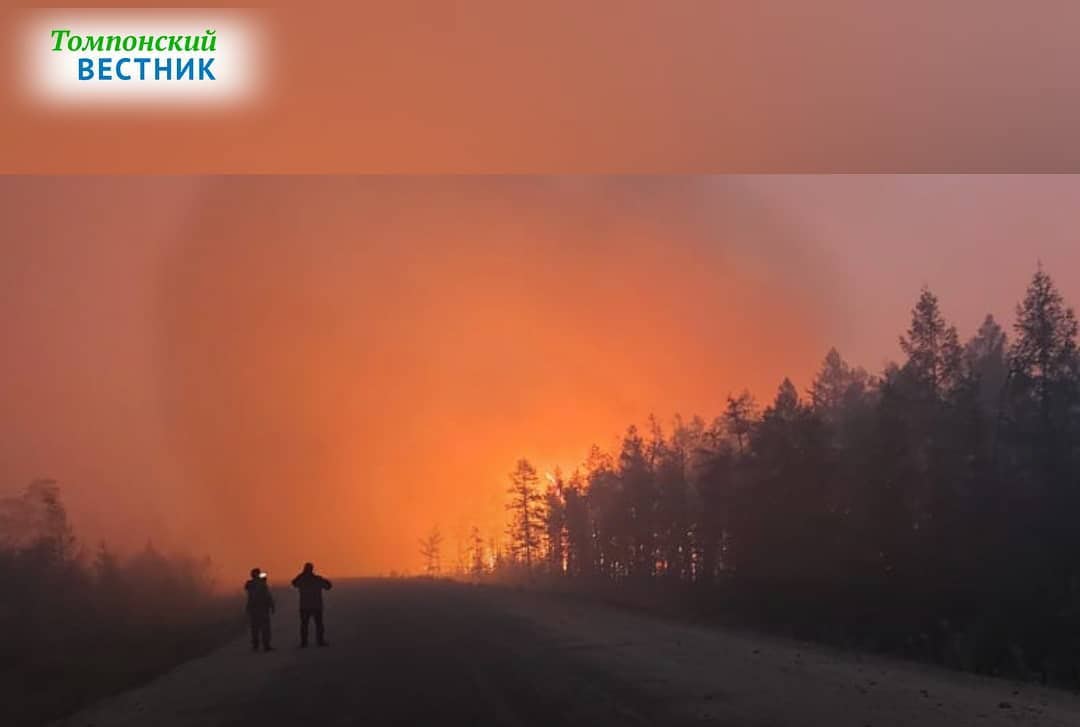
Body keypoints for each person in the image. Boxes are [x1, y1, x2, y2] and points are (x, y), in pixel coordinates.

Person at [291, 561, 332, 647]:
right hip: (316, 606)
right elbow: (328, 586)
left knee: (305, 625)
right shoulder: (317, 579)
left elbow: (294, 583)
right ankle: (320, 641)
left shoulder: (302, 579)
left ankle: (304, 642)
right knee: (318, 625)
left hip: (305, 606)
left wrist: (301, 575)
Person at [244, 567, 275, 652]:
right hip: (261, 609)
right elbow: (267, 596)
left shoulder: (251, 583)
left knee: (255, 628)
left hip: (255, 609)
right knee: (264, 628)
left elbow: (247, 589)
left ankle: (256, 645)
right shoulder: (260, 583)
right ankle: (265, 645)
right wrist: (272, 605)